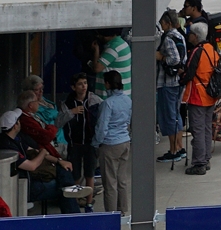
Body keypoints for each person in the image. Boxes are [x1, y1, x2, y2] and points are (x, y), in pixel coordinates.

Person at [0, 109, 89, 214]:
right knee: (63, 190)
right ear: (15, 126)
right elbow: (32, 165)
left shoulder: (16, 138)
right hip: (25, 186)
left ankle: (71, 189)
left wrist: (59, 160)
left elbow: (35, 151)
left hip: (29, 180)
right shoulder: (7, 146)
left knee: (63, 173)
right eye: (18, 121)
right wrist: (42, 153)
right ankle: (73, 196)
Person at [60, 72, 101, 209]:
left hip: (90, 143)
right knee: (75, 174)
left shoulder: (94, 100)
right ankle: (76, 203)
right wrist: (72, 112)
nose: (83, 86)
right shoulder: (67, 103)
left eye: (85, 83)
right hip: (75, 144)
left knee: (90, 173)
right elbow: (58, 122)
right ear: (73, 87)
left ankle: (89, 203)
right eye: (80, 84)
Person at [93, 71, 131, 215]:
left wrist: (96, 143)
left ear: (107, 84)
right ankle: (123, 211)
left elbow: (102, 127)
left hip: (109, 144)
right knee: (121, 180)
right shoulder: (127, 100)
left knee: (110, 183)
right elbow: (128, 122)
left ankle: (111, 214)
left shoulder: (107, 104)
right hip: (124, 141)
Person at [182, 22, 218, 175]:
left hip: (197, 95)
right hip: (210, 94)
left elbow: (189, 74)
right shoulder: (211, 49)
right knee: (206, 128)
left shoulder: (197, 51)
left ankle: (199, 163)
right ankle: (206, 158)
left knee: (197, 130)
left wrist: (180, 78)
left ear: (195, 36)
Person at [156, 9, 187, 162]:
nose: (161, 26)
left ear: (168, 23)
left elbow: (174, 59)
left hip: (168, 83)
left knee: (169, 116)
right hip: (178, 81)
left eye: (162, 23)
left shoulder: (168, 38)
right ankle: (179, 147)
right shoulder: (179, 35)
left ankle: (173, 150)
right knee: (176, 115)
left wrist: (161, 57)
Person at [92, 29, 131, 98]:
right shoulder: (122, 43)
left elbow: (97, 68)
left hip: (112, 97)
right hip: (121, 94)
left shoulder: (113, 48)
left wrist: (96, 50)